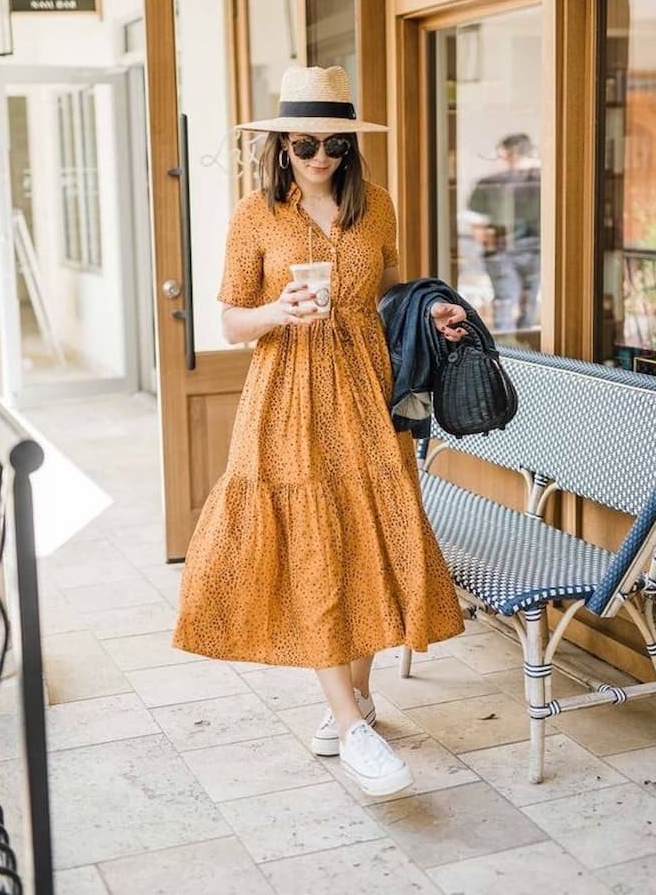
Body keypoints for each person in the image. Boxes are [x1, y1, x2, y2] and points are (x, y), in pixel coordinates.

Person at [173, 65, 466, 798]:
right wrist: (279, 312)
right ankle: (354, 723)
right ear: (281, 146)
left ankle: (352, 704)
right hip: (286, 395)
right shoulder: (254, 216)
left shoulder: (378, 207)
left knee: (364, 537)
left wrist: (427, 313)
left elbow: (392, 290)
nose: (321, 157)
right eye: (305, 144)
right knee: (311, 543)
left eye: (335, 142)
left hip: (367, 392)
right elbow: (232, 319)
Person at [466, 133, 541, 332]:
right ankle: (524, 343)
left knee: (505, 301)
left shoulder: (491, 182)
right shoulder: (544, 181)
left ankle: (504, 347)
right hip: (531, 251)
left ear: (506, 154)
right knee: (527, 302)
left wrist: (488, 242)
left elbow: (477, 226)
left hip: (507, 252)